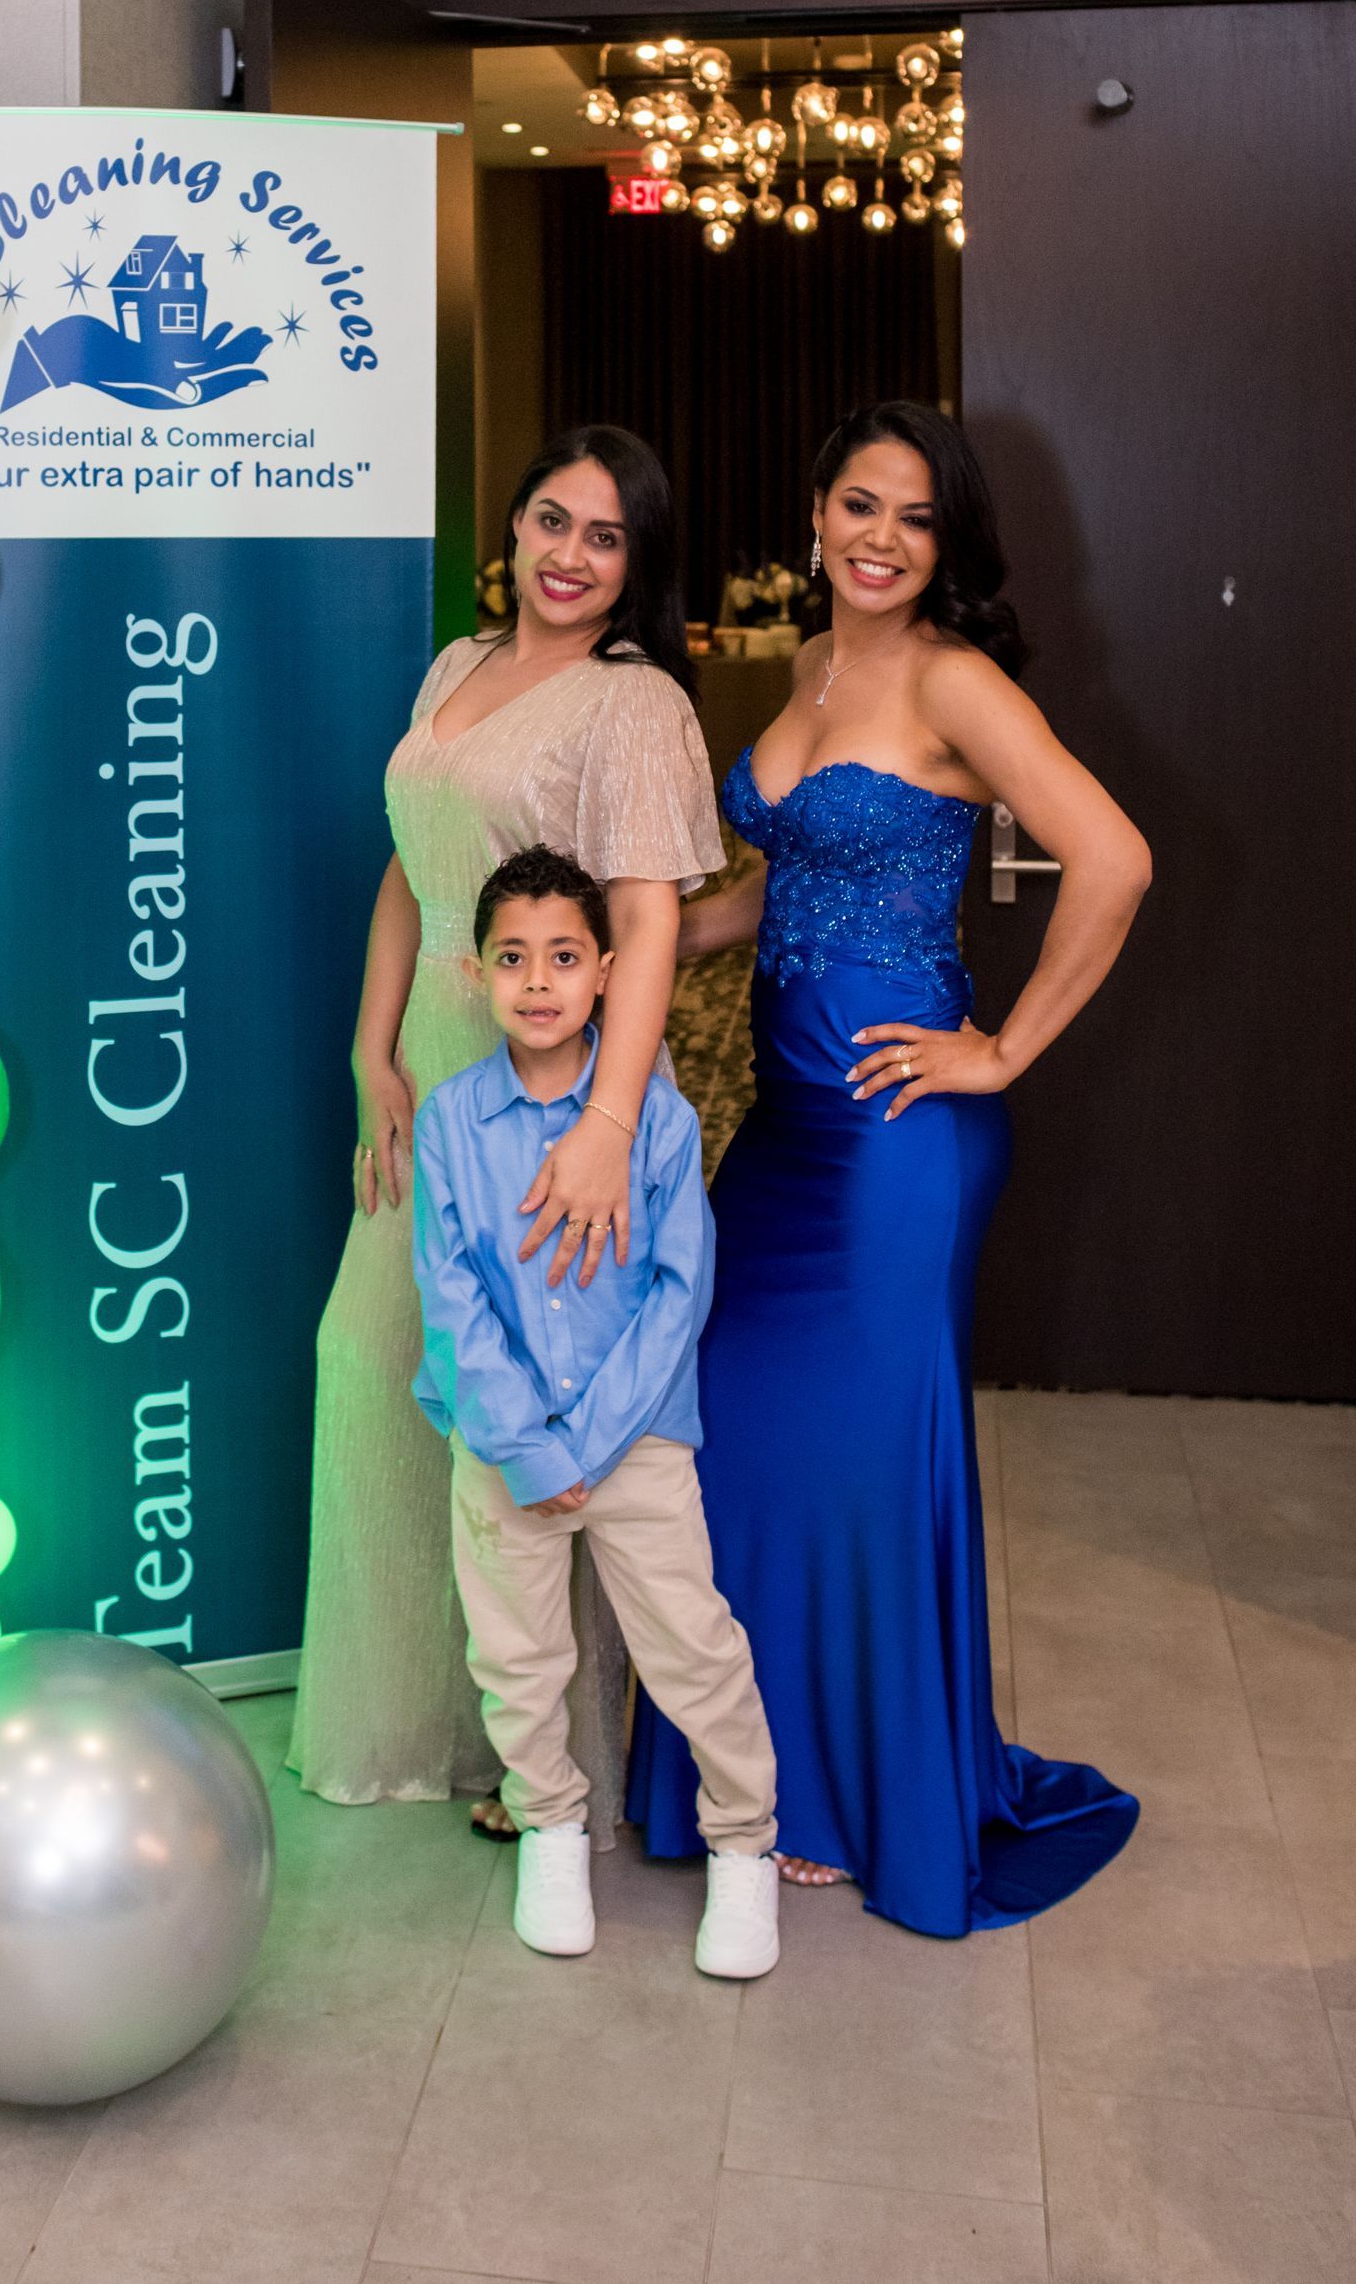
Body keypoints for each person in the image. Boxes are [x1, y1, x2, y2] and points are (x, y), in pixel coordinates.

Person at [628, 399, 1149, 1936]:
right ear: (817, 511)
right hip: (787, 1137)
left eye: (914, 519)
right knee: (728, 1432)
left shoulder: (951, 678)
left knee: (856, 1465)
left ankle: (848, 1798)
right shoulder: (809, 667)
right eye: (860, 503)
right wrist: (640, 943)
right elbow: (772, 895)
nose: (879, 537)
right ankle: (748, 1768)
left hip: (898, 1141)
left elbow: (1111, 859)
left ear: (946, 545)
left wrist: (999, 1049)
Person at [288, 426, 722, 1834]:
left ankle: (548, 1764)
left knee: (534, 1409)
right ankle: (432, 1726)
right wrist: (372, 1050)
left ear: (636, 565)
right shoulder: (457, 669)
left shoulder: (635, 702)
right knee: (373, 1363)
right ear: (514, 523)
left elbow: (648, 921)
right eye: (551, 518)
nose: (568, 555)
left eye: (605, 537)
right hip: (432, 1061)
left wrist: (606, 1124)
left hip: (550, 1074)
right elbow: (412, 875)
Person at [412, 846, 780, 1974]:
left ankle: (745, 1848)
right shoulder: (449, 1124)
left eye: (564, 958)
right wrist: (528, 1447)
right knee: (517, 1658)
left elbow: (679, 1293)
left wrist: (590, 1443)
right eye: (514, 959)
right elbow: (451, 1297)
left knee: (692, 1647)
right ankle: (552, 1827)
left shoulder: (654, 1125)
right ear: (476, 975)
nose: (538, 982)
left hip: (636, 1440)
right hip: (500, 1448)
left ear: (608, 973)